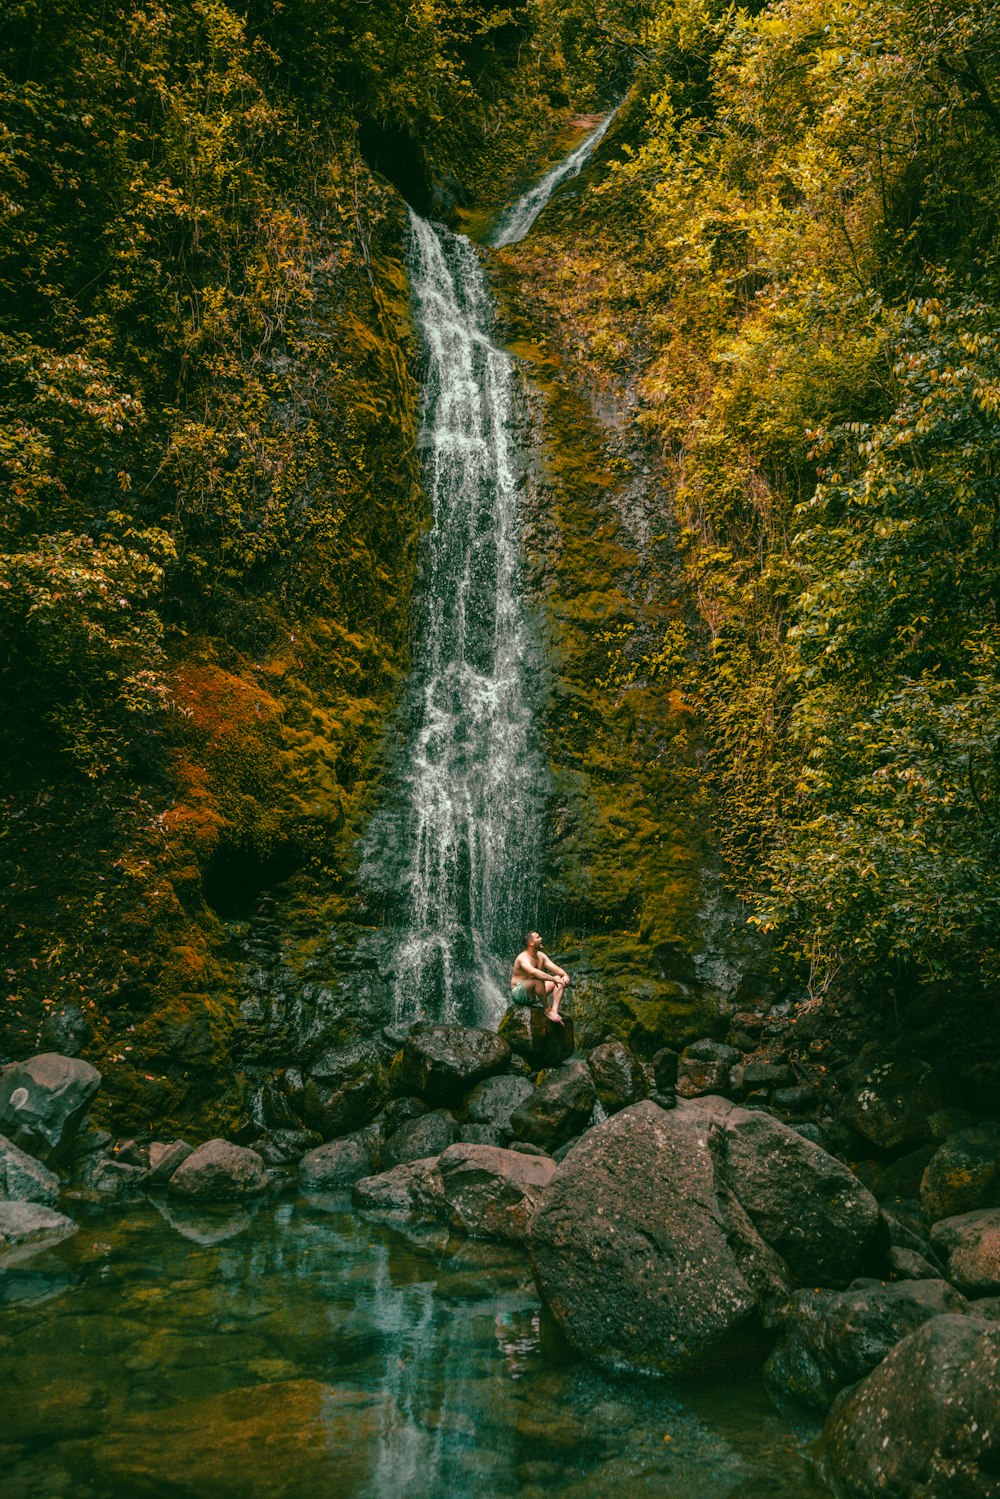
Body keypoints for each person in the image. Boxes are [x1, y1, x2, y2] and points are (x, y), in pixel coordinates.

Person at [510, 931, 570, 1024]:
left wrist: (565, 976)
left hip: (535, 993)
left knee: (560, 979)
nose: (541, 938)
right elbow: (533, 972)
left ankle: (554, 1011)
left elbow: (557, 970)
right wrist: (552, 979)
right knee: (538, 980)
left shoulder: (541, 956)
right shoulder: (522, 958)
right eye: (538, 937)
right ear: (531, 943)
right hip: (519, 993)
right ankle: (547, 1010)